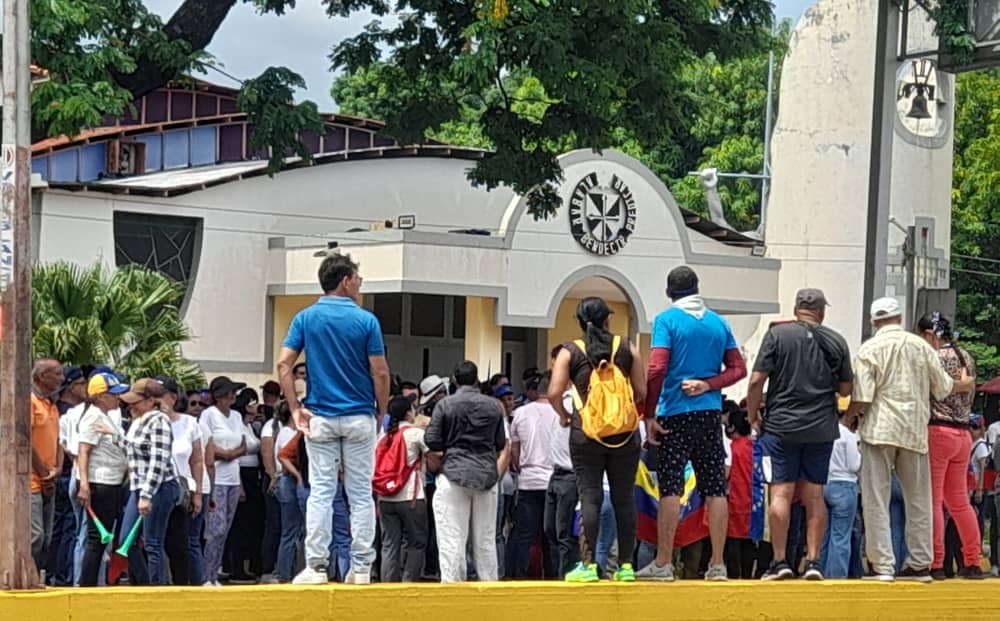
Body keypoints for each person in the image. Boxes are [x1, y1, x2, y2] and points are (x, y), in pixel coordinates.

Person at [276, 252, 391, 585]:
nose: (360, 283)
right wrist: (380, 410)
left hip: (320, 417)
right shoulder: (367, 321)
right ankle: (361, 567)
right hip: (359, 416)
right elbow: (380, 371)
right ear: (345, 281)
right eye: (357, 278)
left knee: (322, 493)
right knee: (359, 494)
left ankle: (316, 565)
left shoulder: (305, 318)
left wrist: (295, 408)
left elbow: (284, 364)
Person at [846, 297, 975, 582]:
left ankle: (882, 565)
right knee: (919, 499)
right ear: (900, 318)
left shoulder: (869, 349)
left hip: (879, 430)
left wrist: (848, 419)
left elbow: (863, 396)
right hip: (915, 430)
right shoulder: (921, 347)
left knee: (876, 498)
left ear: (872, 321)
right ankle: (920, 563)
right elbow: (942, 388)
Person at [639, 266, 746, 582]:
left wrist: (649, 413)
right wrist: (709, 385)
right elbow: (737, 368)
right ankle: (717, 564)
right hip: (710, 413)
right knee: (715, 488)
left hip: (675, 413)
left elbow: (657, 368)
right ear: (697, 288)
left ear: (669, 292)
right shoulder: (718, 323)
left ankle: (663, 562)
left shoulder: (666, 321)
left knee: (671, 486)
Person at [745, 288, 853, 581]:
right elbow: (845, 390)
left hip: (780, 427)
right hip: (821, 427)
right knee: (814, 495)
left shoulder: (777, 336)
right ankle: (814, 561)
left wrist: (753, 415)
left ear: (796, 309)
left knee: (780, 492)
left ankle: (780, 561)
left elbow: (756, 380)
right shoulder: (836, 340)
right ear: (821, 310)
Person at [549, 297, 647, 583]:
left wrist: (565, 415)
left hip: (586, 434)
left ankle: (589, 566)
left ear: (580, 322)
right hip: (626, 435)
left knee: (589, 496)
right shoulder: (627, 347)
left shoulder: (570, 351)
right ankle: (626, 567)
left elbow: (554, 393)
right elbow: (641, 390)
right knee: (624, 498)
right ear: (607, 320)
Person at [913, 312, 985, 580]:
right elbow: (968, 388)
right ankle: (972, 559)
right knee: (959, 502)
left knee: (932, 500)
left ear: (929, 333)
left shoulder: (932, 357)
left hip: (938, 430)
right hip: (963, 433)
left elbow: (932, 390)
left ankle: (936, 561)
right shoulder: (966, 356)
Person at [424, 360, 507, 583]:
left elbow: (432, 440)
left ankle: (453, 590)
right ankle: (489, 589)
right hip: (486, 477)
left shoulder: (446, 405)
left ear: (455, 380)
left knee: (452, 538)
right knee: (486, 540)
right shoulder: (494, 406)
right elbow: (500, 443)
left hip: (453, 475)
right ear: (476, 379)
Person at [117, 378, 181, 585]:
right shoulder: (138, 421)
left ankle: (157, 588)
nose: (131, 406)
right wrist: (112, 435)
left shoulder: (159, 421)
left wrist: (146, 495)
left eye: (136, 401)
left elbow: (159, 461)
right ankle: (145, 584)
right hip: (139, 486)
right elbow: (132, 447)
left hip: (158, 487)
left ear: (151, 401)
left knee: (153, 542)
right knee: (126, 540)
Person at [76, 372, 129, 587]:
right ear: (99, 396)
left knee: (103, 538)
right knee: (97, 538)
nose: (118, 398)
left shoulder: (105, 416)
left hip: (113, 482)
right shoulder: (93, 417)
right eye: (112, 394)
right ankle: (87, 584)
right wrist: (84, 484)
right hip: (102, 483)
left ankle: (94, 581)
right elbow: (84, 451)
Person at [156, 376, 206, 586]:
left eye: (159, 396)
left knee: (180, 545)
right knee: (151, 543)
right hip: (154, 490)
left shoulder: (189, 423)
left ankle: (181, 588)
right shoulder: (147, 421)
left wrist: (198, 493)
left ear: (173, 397)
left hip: (180, 491)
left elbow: (197, 460)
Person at [200, 375, 249, 586]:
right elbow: (205, 444)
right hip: (216, 478)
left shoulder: (237, 416)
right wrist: (224, 454)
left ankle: (214, 572)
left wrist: (232, 454)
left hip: (233, 478)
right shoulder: (208, 415)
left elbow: (245, 444)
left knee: (225, 529)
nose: (232, 396)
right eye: (228, 393)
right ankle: (206, 574)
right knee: (215, 529)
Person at [508, 372, 557, 578]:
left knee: (525, 535)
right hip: (554, 481)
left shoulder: (520, 413)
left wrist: (521, 468)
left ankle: (521, 576)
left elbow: (515, 451)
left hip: (528, 481)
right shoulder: (561, 413)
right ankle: (554, 577)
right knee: (552, 536)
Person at [378, 395, 429, 582]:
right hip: (411, 496)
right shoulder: (415, 434)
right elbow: (434, 453)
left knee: (389, 544)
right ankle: (408, 582)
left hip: (385, 498)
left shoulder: (383, 436)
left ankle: (387, 586)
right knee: (416, 541)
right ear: (409, 413)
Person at [31, 358, 64, 572]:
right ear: (42, 376)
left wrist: (58, 469)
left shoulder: (52, 407)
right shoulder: (29, 402)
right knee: (35, 535)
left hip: (49, 479)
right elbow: (24, 441)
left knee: (47, 537)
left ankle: (37, 575)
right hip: (31, 482)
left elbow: (59, 440)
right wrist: (44, 473)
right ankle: (26, 573)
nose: (61, 378)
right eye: (57, 374)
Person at [819, 410, 862, 579]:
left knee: (824, 535)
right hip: (845, 485)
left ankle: (821, 571)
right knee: (841, 536)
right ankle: (836, 576)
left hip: (825, 484)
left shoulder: (823, 434)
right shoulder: (848, 436)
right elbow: (853, 465)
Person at [724, 409, 756, 579]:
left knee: (733, 540)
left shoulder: (730, 447)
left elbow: (726, 474)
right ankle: (748, 576)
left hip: (734, 498)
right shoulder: (754, 447)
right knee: (749, 540)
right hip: (752, 499)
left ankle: (734, 576)